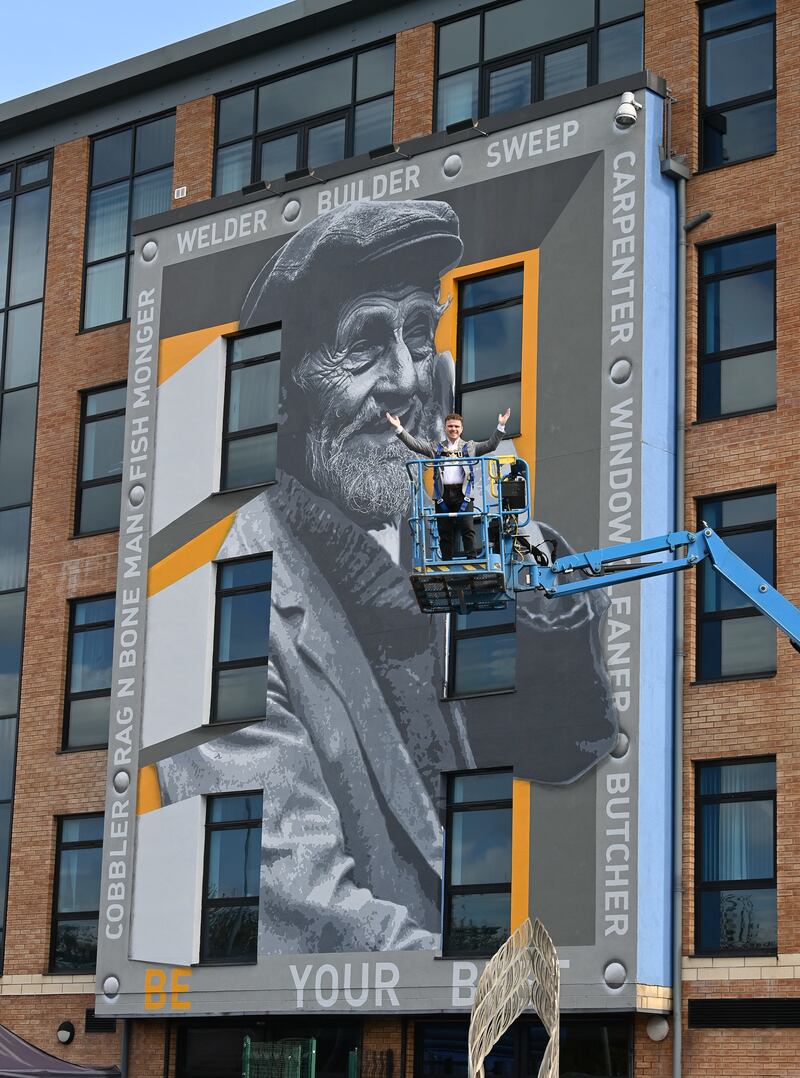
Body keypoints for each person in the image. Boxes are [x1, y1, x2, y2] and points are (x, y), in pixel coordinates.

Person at [153, 199, 618, 957]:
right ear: (287, 387)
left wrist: (522, 569)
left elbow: (563, 743)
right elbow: (299, 908)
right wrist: (481, 989)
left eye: (419, 335)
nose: (405, 379)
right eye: (364, 344)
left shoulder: (437, 523)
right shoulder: (218, 612)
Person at [386, 408, 512, 559]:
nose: (453, 429)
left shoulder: (470, 447)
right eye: (450, 426)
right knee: (444, 530)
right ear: (445, 428)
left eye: (457, 426)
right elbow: (415, 445)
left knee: (468, 528)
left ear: (461, 429)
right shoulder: (435, 447)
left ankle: (471, 559)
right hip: (442, 495)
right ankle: (446, 561)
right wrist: (399, 428)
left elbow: (491, 445)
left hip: (463, 494)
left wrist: (501, 426)